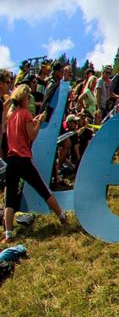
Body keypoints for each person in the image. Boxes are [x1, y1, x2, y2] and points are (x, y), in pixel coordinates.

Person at [4, 85, 70, 242]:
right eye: (28, 98)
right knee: (42, 188)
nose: (29, 101)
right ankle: (61, 216)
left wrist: (33, 122)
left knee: (10, 198)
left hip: (11, 160)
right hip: (23, 159)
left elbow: (20, 131)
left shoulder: (11, 116)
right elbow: (32, 135)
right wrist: (38, 122)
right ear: (23, 98)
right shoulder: (26, 114)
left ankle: (8, 234)